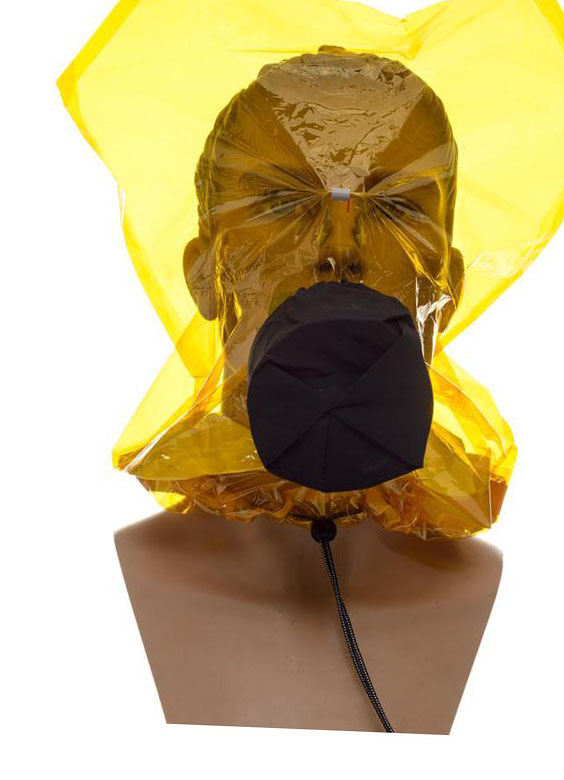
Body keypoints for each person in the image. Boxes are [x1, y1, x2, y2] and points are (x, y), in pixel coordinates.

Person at [115, 48, 504, 733]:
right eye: (280, 201)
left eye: (394, 207)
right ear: (205, 275)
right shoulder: (87, 602)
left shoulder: (526, 614)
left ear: (448, 286)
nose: (337, 248)